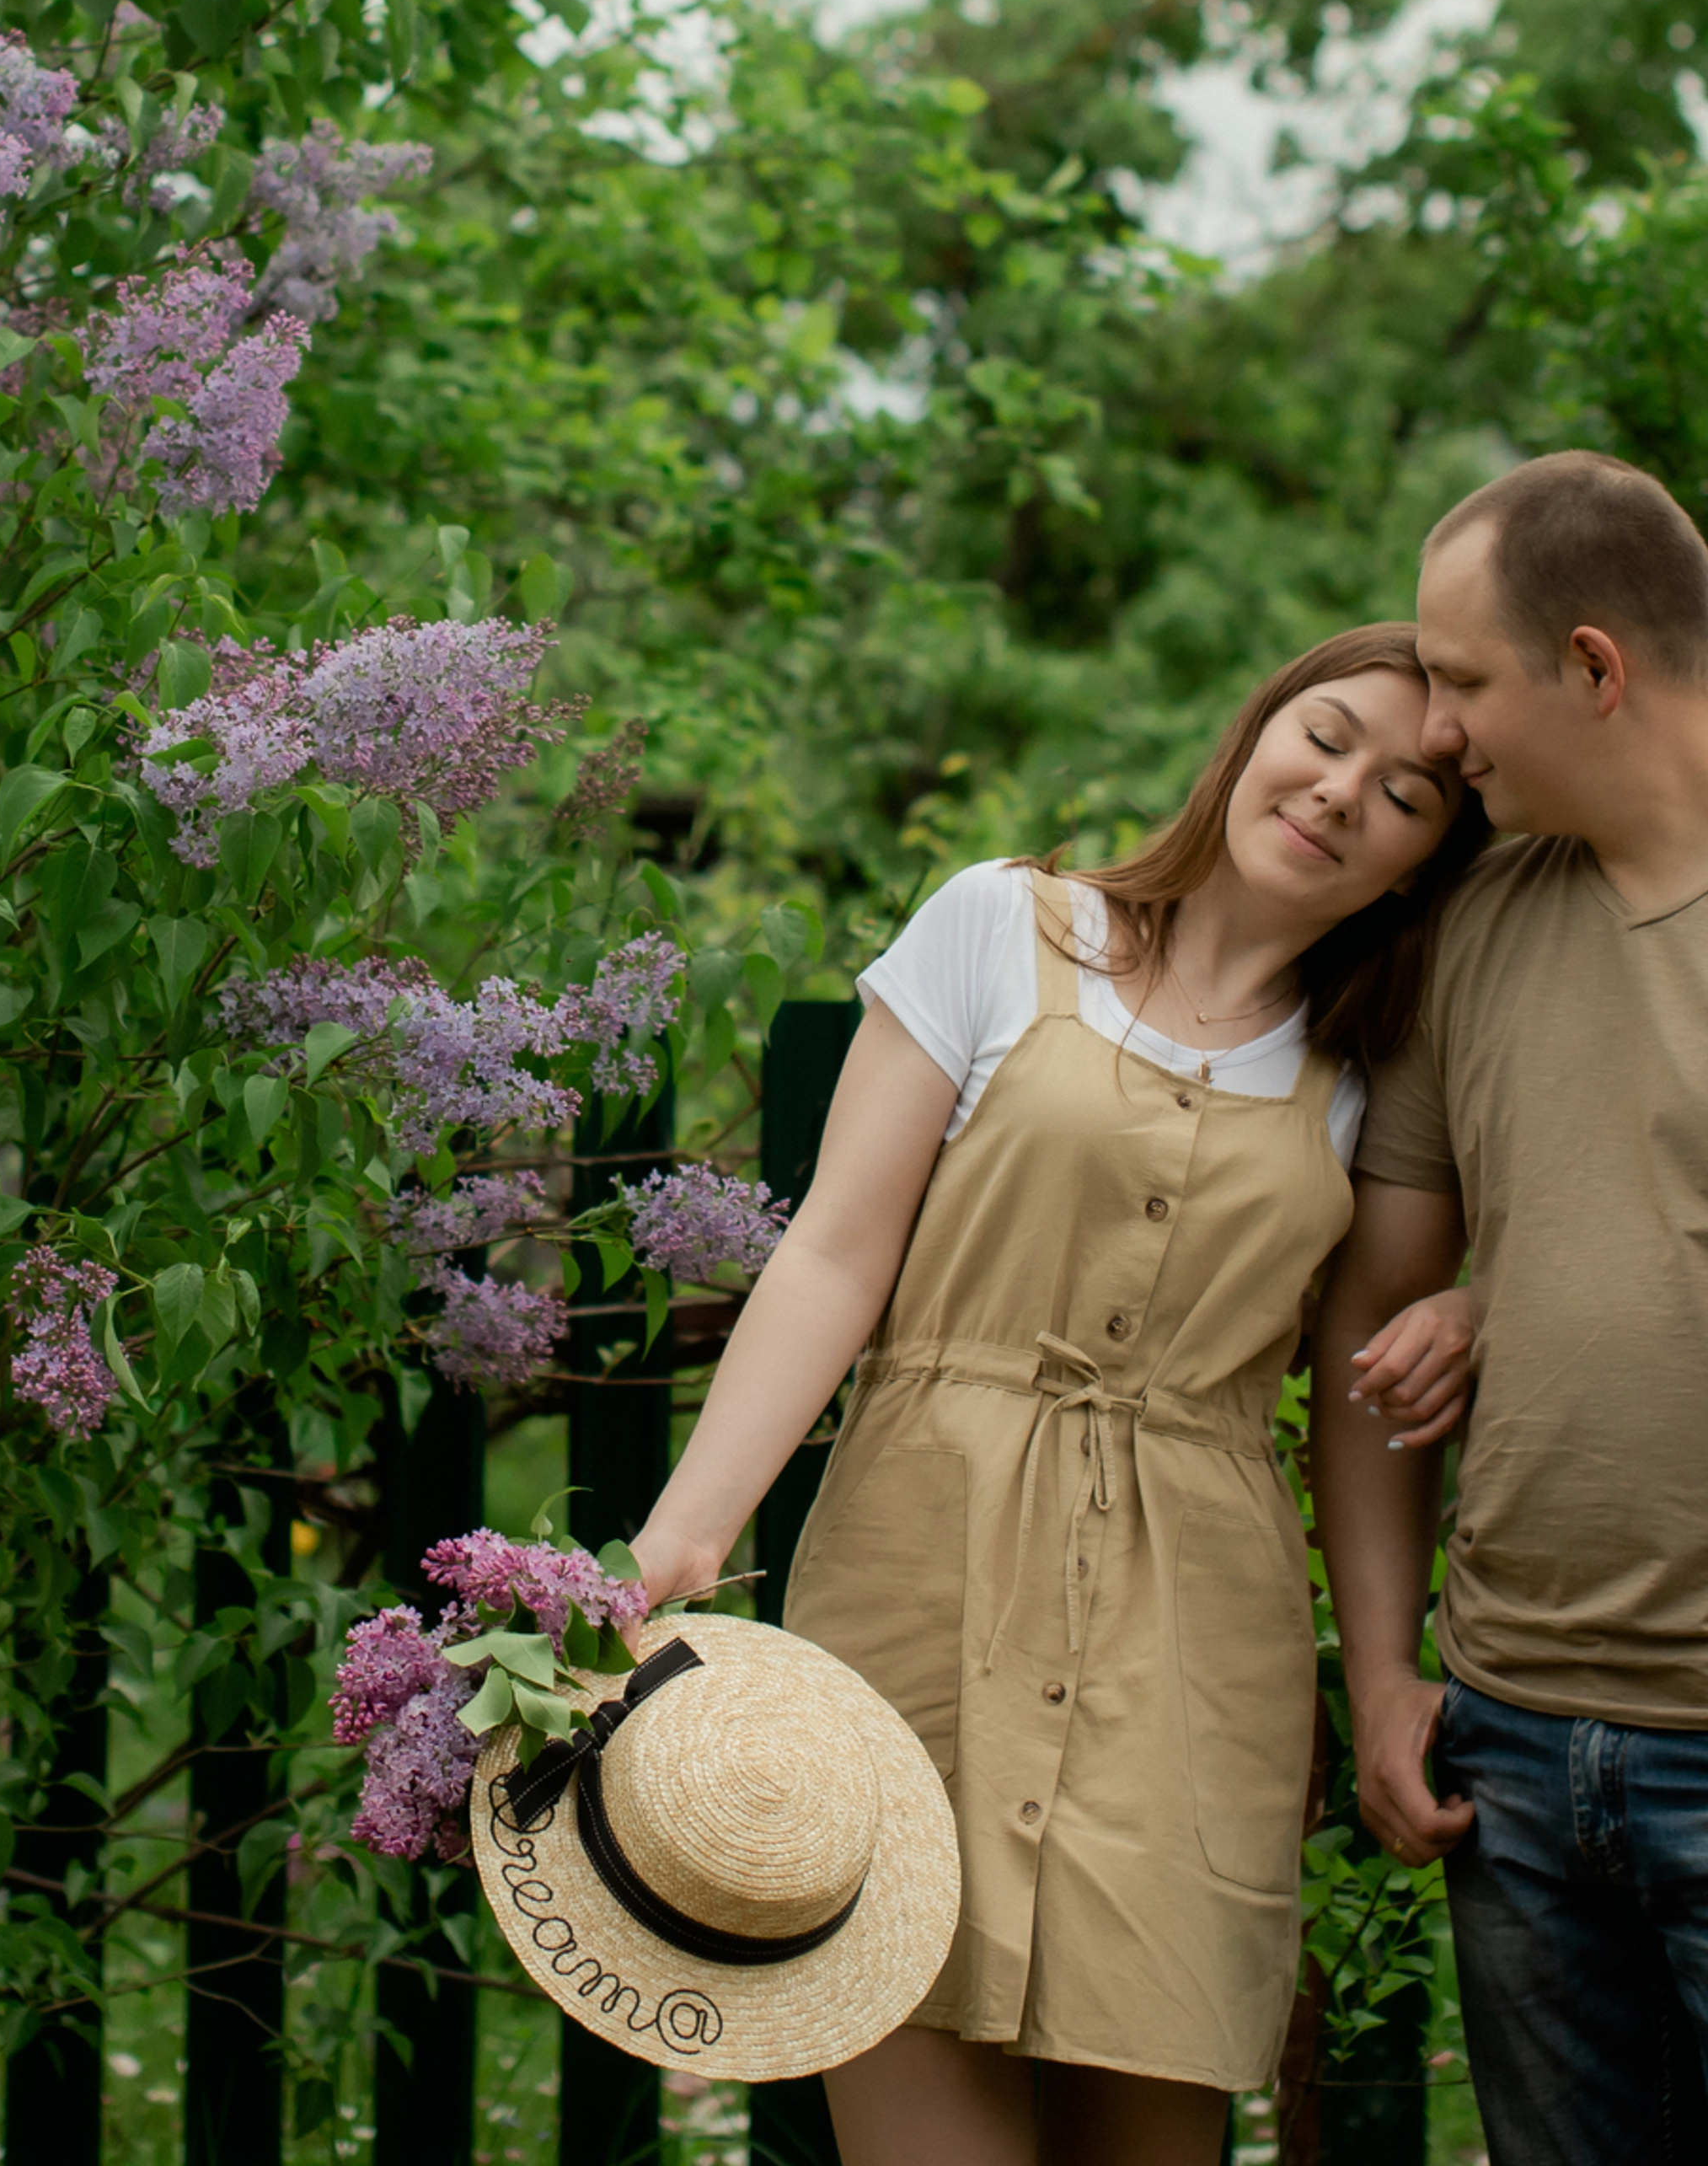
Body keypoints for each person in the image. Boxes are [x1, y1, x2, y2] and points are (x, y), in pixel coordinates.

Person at [629, 625, 1487, 2166]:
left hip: (1195, 1644)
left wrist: (1379, 1684)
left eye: (1410, 796)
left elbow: (1366, 1403)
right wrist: (690, 1533)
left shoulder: (1377, 1073)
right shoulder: (1001, 925)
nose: (1346, 792)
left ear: (1423, 868)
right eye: (1328, 735)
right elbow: (835, 1252)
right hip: (917, 1585)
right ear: (1256, 726)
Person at [1312, 451, 1708, 2164]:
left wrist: (1505, 1300)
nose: (1440, 733)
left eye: (1464, 681)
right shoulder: (1475, 920)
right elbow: (1368, 1322)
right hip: (1518, 1753)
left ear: (1594, 666)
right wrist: (1386, 1671)